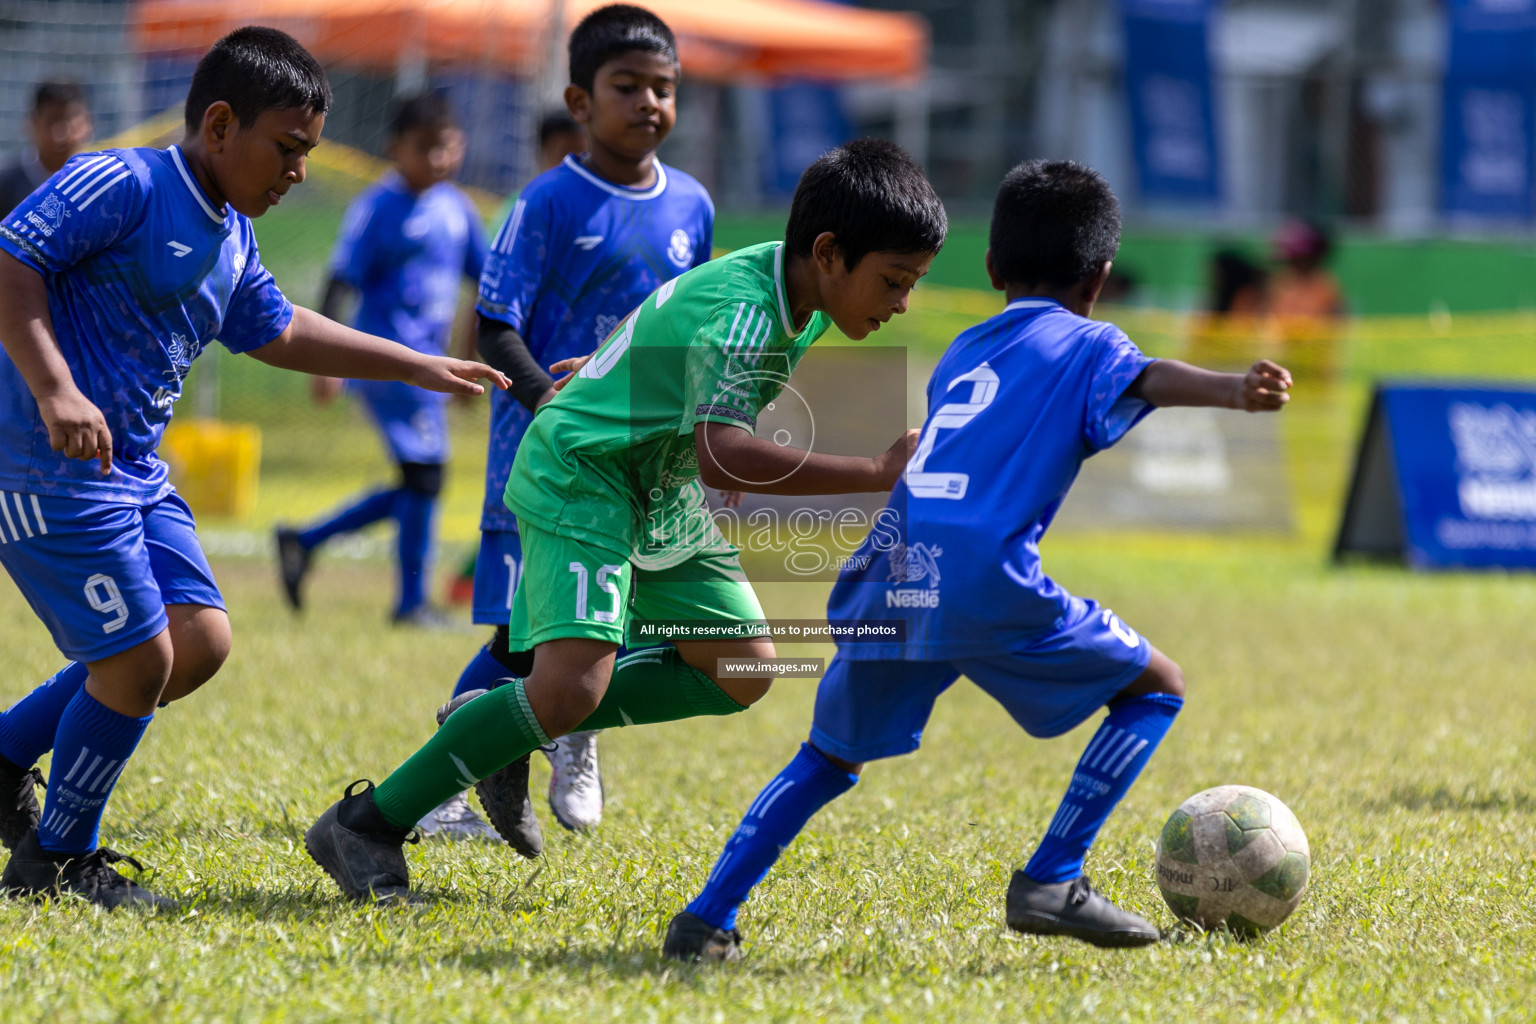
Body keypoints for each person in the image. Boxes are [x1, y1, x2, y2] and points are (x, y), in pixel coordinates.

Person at [661, 159, 1294, 962]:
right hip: (983, 575)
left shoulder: (967, 348)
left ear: (992, 269)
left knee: (826, 757)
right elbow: (1146, 376)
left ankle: (705, 916)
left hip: (895, 571)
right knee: (1156, 688)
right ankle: (1051, 880)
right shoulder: (1092, 342)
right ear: (1098, 277)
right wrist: (1233, 389)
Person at [302, 135, 948, 905]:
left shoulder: (797, 295)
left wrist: (718, 441)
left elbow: (693, 380)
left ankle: (508, 720)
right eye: (895, 280)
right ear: (832, 252)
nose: (903, 303)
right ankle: (367, 823)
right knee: (571, 690)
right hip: (585, 474)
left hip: (658, 486)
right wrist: (869, 474)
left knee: (743, 669)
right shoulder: (747, 305)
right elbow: (722, 445)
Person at [0, 27, 506, 910]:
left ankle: (4, 758)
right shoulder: (123, 181)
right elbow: (11, 258)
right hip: (44, 467)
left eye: (308, 151)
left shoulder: (229, 231)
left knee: (198, 643)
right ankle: (54, 864)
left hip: (133, 473)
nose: (301, 171)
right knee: (134, 661)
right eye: (288, 147)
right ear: (222, 124)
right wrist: (54, 389)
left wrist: (420, 363)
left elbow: (279, 330)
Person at [415, 4, 714, 845]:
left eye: (665, 88)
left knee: (615, 622)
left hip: (639, 465)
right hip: (544, 462)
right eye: (628, 87)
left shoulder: (693, 206)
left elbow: (684, 330)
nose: (649, 103)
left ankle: (562, 732)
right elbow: (495, 325)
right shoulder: (545, 202)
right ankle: (449, 782)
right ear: (580, 101)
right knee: (523, 630)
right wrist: (556, 406)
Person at [274, 92, 489, 626]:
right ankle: (410, 604)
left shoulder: (458, 211)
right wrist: (325, 365)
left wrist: (466, 357)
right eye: (425, 149)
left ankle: (306, 540)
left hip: (432, 367)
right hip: (386, 360)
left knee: (419, 480)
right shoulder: (378, 206)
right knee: (426, 475)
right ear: (396, 148)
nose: (438, 160)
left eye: (447, 148)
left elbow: (482, 289)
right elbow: (339, 283)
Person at [0, 80, 93, 216]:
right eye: (51, 122)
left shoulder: (99, 184)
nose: (60, 135)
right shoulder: (6, 186)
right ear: (33, 122)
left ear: (87, 124)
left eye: (68, 123)